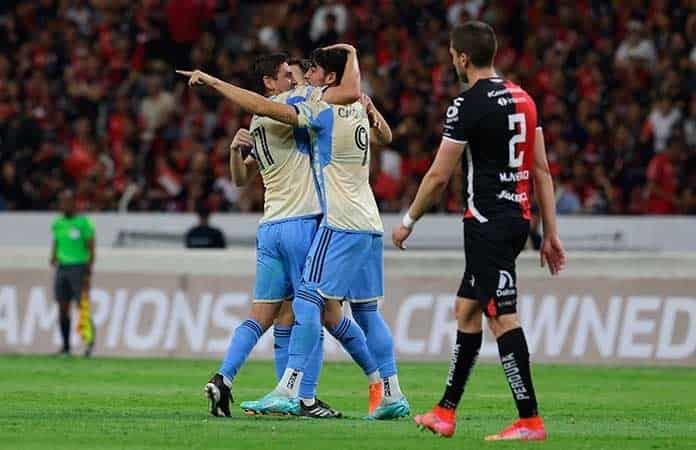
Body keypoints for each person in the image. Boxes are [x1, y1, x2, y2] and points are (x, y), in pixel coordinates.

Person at [391, 21, 565, 440]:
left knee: (501, 317)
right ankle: (445, 412)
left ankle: (529, 420)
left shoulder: (466, 104)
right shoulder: (524, 98)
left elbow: (438, 175)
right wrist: (551, 233)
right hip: (518, 220)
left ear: (463, 57)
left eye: (453, 54)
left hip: (486, 224)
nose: (452, 60)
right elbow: (542, 170)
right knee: (466, 310)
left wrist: (408, 221)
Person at [185, 50, 381, 419]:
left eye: (295, 74)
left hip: (270, 227)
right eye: (286, 75)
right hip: (303, 222)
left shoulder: (258, 121)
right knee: (320, 311)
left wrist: (234, 151)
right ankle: (317, 396)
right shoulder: (289, 105)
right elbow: (341, 100)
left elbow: (241, 178)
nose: (294, 79)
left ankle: (226, 378)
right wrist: (213, 81)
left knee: (269, 315)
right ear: (269, 82)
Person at [51, 190, 96, 357]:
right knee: (62, 308)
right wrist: (53, 255)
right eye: (61, 202)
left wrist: (88, 271)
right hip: (62, 267)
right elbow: (56, 241)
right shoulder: (58, 223)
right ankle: (66, 347)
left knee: (82, 306)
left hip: (79, 267)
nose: (63, 205)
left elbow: (91, 247)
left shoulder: (83, 223)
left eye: (66, 202)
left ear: (74, 203)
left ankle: (88, 344)